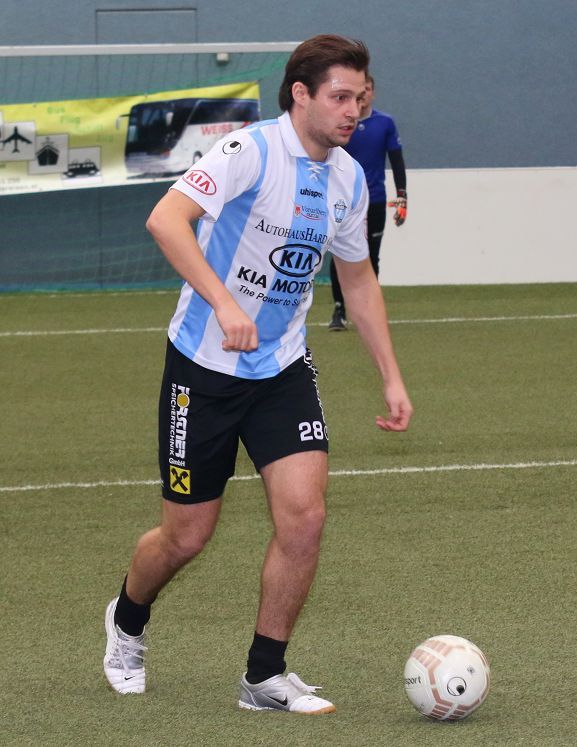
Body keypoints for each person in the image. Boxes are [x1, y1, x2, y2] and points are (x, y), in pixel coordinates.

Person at [102, 34, 413, 712]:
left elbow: (358, 280)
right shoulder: (249, 151)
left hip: (281, 369)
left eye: (360, 99)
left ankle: (264, 675)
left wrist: (391, 375)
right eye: (340, 97)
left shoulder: (347, 178)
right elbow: (166, 219)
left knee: (305, 518)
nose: (353, 111)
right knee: (186, 536)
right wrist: (222, 302)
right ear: (300, 94)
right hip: (203, 367)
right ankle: (127, 619)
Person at [328, 72, 407, 330]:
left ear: (372, 93)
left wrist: (402, 196)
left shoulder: (385, 123)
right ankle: (339, 309)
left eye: (366, 91)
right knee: (339, 255)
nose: (362, 97)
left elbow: (397, 161)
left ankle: (369, 309)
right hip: (343, 202)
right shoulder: (340, 125)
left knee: (371, 256)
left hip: (375, 201)